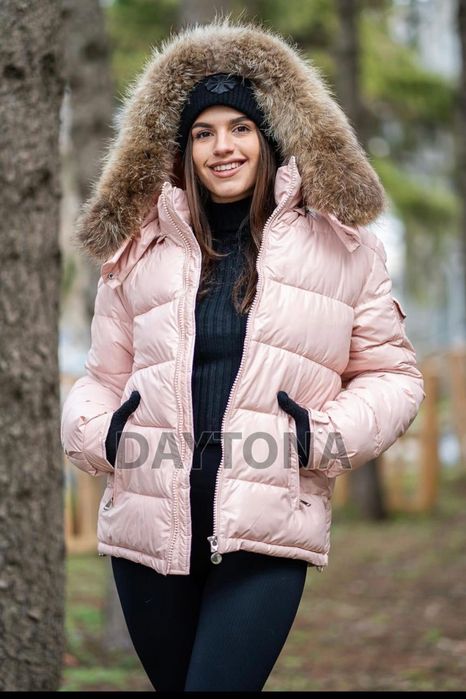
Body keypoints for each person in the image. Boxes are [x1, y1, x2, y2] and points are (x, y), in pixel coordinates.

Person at [60, 18, 425, 692]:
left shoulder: (342, 248)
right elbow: (100, 377)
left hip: (266, 524)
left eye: (240, 128)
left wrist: (318, 437)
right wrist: (104, 434)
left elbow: (393, 377)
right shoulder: (141, 248)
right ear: (182, 148)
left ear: (271, 136)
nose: (222, 146)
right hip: (150, 528)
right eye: (203, 132)